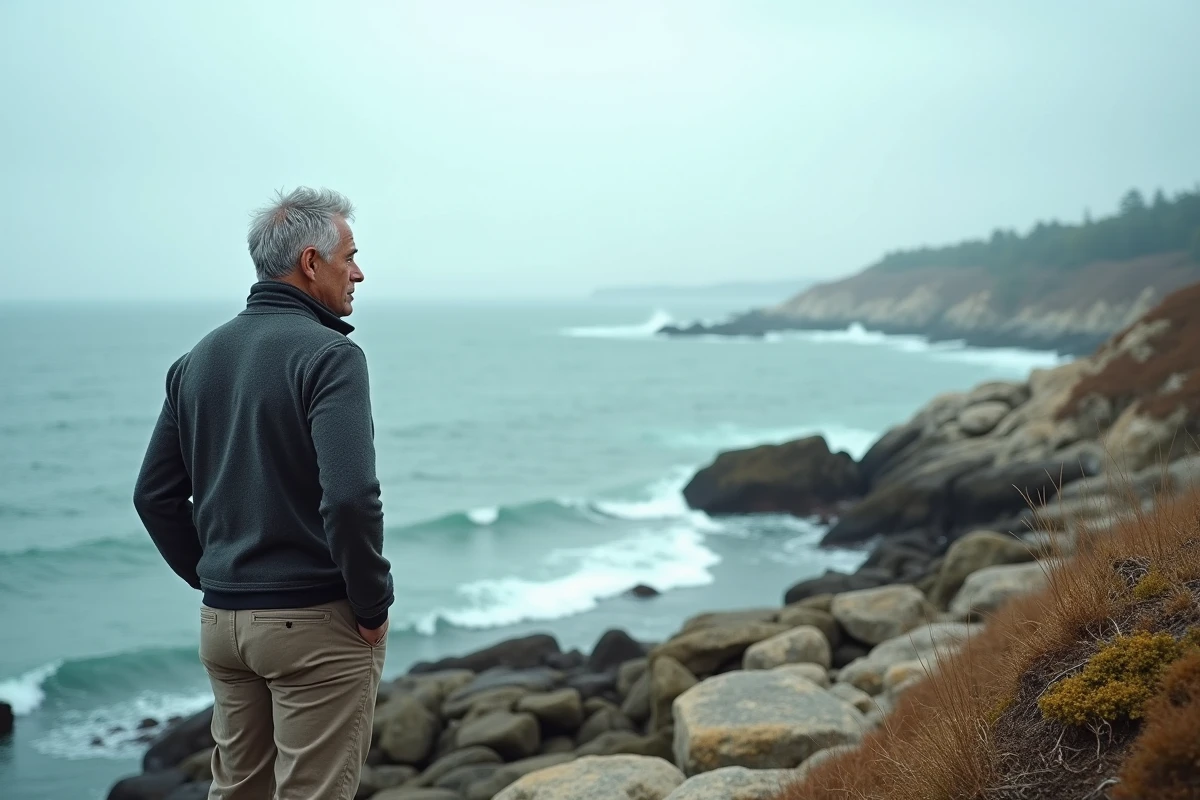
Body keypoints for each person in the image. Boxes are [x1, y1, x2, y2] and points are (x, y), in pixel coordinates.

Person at [133, 187, 393, 800]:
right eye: (349, 256)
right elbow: (351, 498)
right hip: (312, 622)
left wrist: (213, 577)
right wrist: (372, 604)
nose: (358, 273)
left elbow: (154, 497)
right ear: (310, 262)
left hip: (223, 625)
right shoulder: (331, 356)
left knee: (236, 792)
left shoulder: (195, 360)